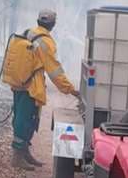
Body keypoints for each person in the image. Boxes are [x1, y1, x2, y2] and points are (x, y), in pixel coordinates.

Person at [11, 9, 79, 169]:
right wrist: (70, 89)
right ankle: (17, 158)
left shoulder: (28, 32)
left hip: (19, 83)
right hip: (31, 86)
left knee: (21, 116)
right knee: (26, 119)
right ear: (53, 24)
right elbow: (54, 70)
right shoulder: (45, 42)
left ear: (38, 21)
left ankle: (24, 153)